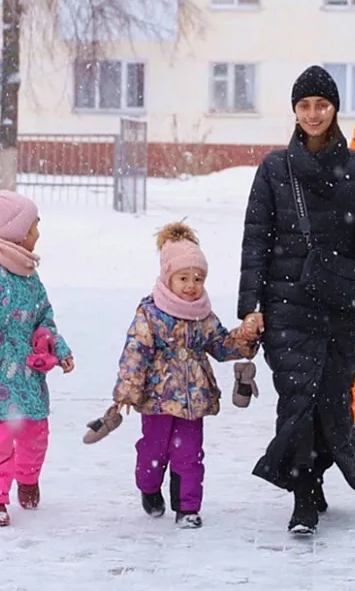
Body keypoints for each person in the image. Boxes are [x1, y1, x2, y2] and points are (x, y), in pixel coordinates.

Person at [237, 65, 355, 535]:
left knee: (332, 402)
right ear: (295, 111)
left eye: (321, 104)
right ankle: (302, 495)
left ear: (335, 108)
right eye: (305, 106)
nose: (313, 113)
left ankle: (316, 475)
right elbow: (255, 241)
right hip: (287, 305)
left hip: (341, 306)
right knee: (298, 399)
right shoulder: (274, 169)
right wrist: (251, 306)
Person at [112, 222, 259, 529]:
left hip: (194, 399)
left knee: (189, 454)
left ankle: (187, 507)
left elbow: (220, 344)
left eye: (198, 278)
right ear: (168, 278)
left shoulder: (202, 314)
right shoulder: (150, 312)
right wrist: (127, 389)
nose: (191, 285)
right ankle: (149, 486)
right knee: (154, 451)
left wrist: (243, 338)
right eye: (183, 278)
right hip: (156, 399)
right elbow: (135, 351)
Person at [0, 181, 74, 527]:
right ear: (16, 232)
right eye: (34, 224)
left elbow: (44, 317)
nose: (38, 231)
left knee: (36, 434)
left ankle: (27, 477)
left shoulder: (28, 275)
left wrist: (58, 346)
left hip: (28, 375)